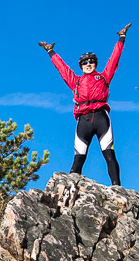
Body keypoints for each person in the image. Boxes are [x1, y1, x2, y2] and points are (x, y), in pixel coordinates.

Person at [39, 23, 131, 186]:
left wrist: (121, 38)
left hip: (102, 118)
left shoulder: (103, 77)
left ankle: (117, 188)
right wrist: (50, 51)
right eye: (84, 63)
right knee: (78, 159)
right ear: (81, 66)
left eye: (91, 62)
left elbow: (114, 59)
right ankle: (69, 191)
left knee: (109, 155)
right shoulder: (76, 81)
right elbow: (62, 68)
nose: (88, 64)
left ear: (96, 64)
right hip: (84, 120)